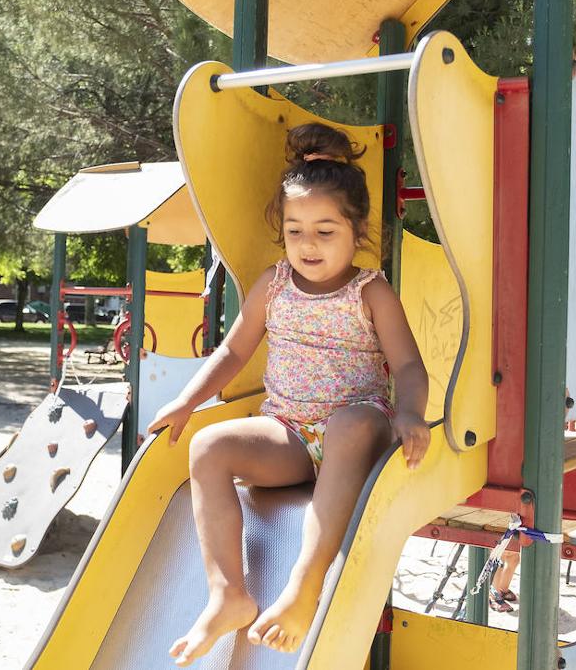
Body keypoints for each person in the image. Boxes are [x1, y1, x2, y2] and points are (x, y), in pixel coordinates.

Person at [148, 123, 431, 665]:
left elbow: (409, 364)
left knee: (349, 422)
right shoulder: (273, 283)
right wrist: (187, 401)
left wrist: (412, 412)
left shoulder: (370, 290)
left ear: (357, 231)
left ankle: (305, 583)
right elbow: (232, 353)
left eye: (326, 231)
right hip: (289, 434)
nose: (308, 244)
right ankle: (228, 592)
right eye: (296, 230)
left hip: (358, 430)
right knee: (207, 447)